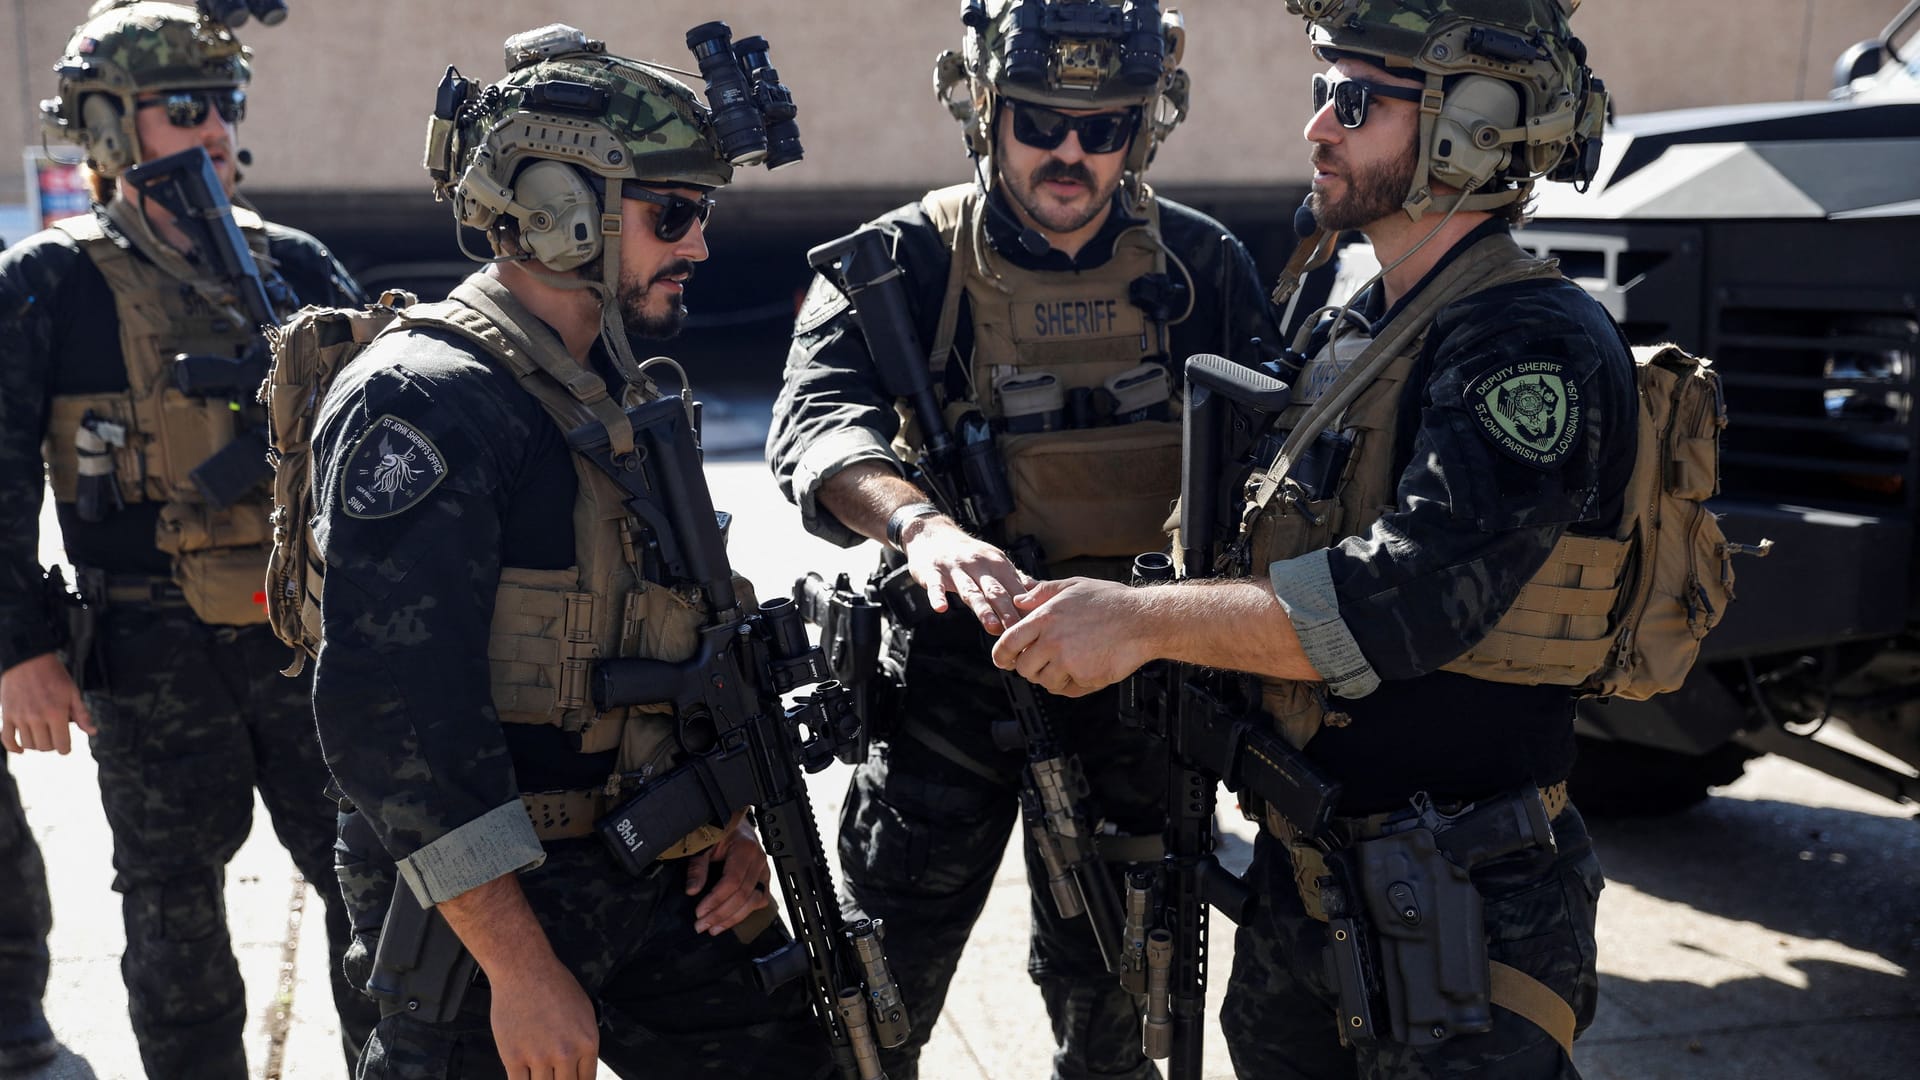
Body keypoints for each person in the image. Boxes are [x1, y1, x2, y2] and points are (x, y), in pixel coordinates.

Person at [992, 0, 1624, 1076]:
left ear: (1470, 125)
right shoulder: (1360, 316)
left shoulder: (1528, 341)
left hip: (1460, 904)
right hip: (1315, 877)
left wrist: (1142, 623)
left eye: (1355, 99)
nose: (1316, 129)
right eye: (1320, 92)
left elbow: (1402, 603)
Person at [306, 23, 831, 1079]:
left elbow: (669, 626)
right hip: (484, 908)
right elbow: (389, 718)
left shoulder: (613, 389)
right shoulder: (429, 403)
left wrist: (721, 822)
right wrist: (520, 970)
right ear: (561, 209)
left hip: (648, 867)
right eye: (673, 213)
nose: (700, 247)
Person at [768, 3, 1281, 1076]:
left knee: (1123, 1011)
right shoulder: (902, 259)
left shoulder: (1202, 266)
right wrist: (921, 526)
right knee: (872, 1006)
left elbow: (1280, 456)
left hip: (1140, 688)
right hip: (955, 684)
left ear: (1145, 129)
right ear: (987, 112)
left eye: (1104, 129)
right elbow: (815, 427)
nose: (1070, 152)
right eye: (1042, 122)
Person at [0, 3, 374, 1076]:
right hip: (149, 652)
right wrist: (19, 648)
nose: (216, 129)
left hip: (306, 645)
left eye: (228, 105)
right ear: (113, 128)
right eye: (184, 108)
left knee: (374, 885)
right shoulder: (47, 285)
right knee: (172, 913)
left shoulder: (295, 264)